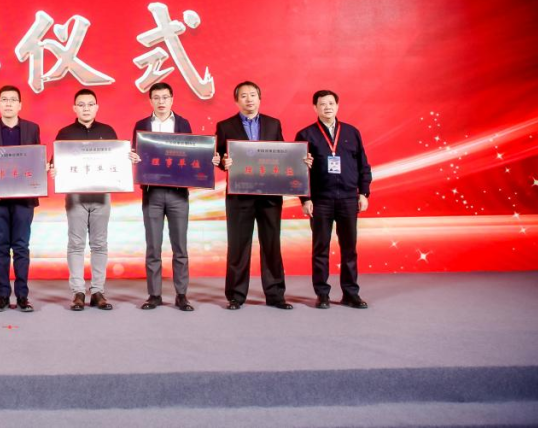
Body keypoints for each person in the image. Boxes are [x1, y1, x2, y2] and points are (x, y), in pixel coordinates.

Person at [215, 80, 307, 310]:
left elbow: (283, 155)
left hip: (269, 195)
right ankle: (236, 295)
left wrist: (301, 161)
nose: (249, 99)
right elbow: (218, 158)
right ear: (237, 100)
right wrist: (224, 162)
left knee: (271, 245)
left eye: (253, 95)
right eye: (243, 96)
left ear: (259, 98)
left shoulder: (273, 124)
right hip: (239, 195)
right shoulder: (225, 126)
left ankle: (276, 295)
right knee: (238, 246)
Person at [129, 82, 220, 312]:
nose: (161, 102)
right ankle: (154, 295)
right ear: (150, 100)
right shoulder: (141, 125)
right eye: (156, 97)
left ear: (172, 99)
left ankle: (181, 295)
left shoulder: (183, 123)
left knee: (180, 246)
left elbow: (192, 153)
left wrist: (208, 159)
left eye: (165, 97)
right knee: (153, 246)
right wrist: (133, 156)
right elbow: (135, 152)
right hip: (152, 192)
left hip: (178, 194)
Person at [296, 90, 372, 309]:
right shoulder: (306, 134)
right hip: (320, 200)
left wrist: (363, 192)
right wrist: (305, 199)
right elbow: (299, 170)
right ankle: (322, 294)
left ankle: (351, 293)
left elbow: (363, 165)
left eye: (331, 103)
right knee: (320, 249)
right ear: (315, 108)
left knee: (349, 249)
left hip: (348, 198)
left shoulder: (351, 132)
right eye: (322, 104)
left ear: (337, 106)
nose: (327, 107)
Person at [54, 88, 122, 311]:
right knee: (76, 244)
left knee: (99, 244)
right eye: (81, 105)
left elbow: (116, 163)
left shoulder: (108, 131)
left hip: (102, 196)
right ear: (74, 108)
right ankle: (78, 292)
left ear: (96, 107)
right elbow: (55, 163)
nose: (86, 108)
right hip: (76, 197)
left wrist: (126, 160)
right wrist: (54, 170)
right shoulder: (64, 134)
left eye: (90, 104)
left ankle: (98, 291)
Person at [0, 85, 41, 313]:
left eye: (13, 99)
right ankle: (3, 295)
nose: (8, 103)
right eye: (4, 99)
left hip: (24, 198)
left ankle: (22, 296)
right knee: (1, 247)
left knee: (22, 247)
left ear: (20, 105)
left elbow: (35, 161)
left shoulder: (32, 128)